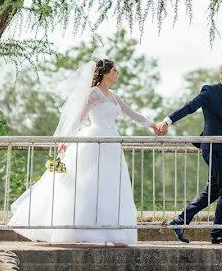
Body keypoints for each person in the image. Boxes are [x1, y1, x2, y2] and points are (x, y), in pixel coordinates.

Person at [8, 59, 158, 244]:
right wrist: (66, 139)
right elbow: (78, 117)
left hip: (112, 145)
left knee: (109, 186)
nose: (117, 73)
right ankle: (80, 229)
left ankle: (109, 231)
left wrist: (152, 125)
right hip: (94, 141)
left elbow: (131, 113)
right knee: (88, 184)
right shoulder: (93, 94)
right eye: (115, 70)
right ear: (105, 73)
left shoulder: (114, 96)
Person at [155, 62, 222, 245]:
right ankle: (218, 232)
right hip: (212, 147)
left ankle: (179, 221)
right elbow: (189, 107)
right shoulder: (210, 92)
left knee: (214, 190)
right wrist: (167, 121)